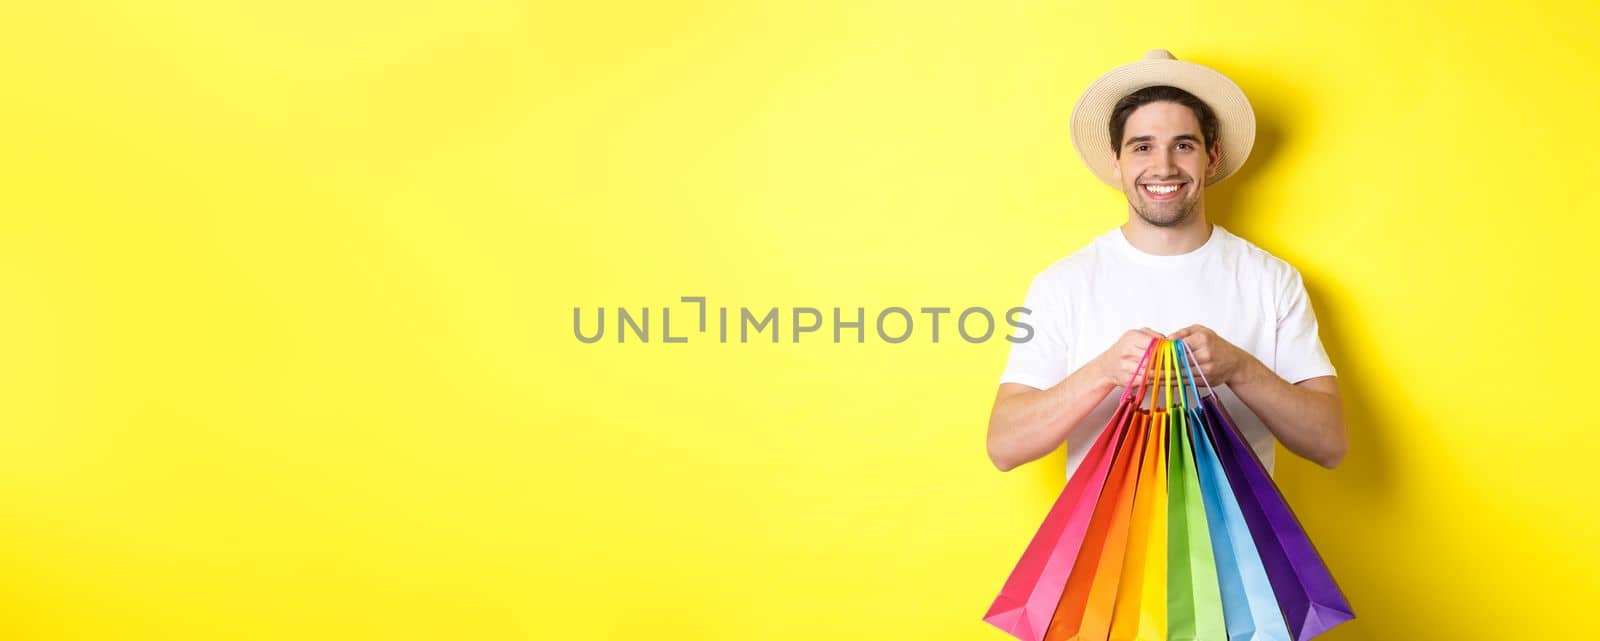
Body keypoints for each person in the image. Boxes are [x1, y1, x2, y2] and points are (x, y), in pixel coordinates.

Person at [986, 50, 1346, 479]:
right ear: (1117, 162)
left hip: (1236, 547)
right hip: (1103, 547)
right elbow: (1004, 446)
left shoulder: (1271, 280)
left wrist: (1238, 367)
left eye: (1183, 145)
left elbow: (1330, 445)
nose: (1163, 166)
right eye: (1142, 147)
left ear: (1210, 157)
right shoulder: (1063, 284)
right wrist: (1103, 371)